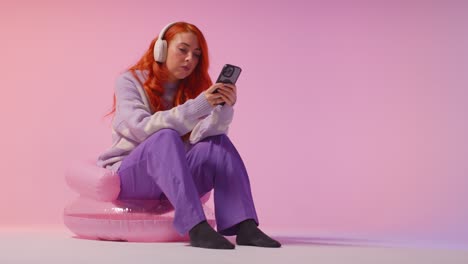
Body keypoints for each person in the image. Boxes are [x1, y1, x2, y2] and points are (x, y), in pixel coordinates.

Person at [97, 21, 281, 250]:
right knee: (165, 137)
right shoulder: (129, 81)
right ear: (161, 49)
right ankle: (196, 226)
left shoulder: (193, 89)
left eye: (196, 55)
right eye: (182, 50)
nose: (189, 60)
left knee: (216, 143)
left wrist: (223, 109)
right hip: (132, 176)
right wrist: (198, 106)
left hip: (173, 179)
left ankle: (244, 225)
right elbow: (140, 127)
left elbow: (200, 138)